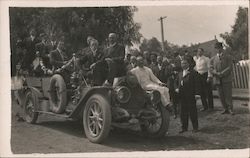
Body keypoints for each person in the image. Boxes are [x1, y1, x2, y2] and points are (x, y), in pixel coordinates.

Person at [175, 57, 200, 133]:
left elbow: (197, 84)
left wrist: (197, 94)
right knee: (183, 112)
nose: (183, 65)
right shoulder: (179, 73)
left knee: (192, 111)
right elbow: (176, 82)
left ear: (188, 64)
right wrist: (176, 88)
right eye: (182, 63)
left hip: (190, 95)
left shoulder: (193, 72)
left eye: (185, 63)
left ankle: (195, 127)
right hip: (182, 96)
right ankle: (184, 127)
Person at [210, 42, 234, 115]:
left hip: (226, 79)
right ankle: (225, 108)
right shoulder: (213, 58)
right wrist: (216, 73)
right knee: (221, 95)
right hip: (217, 79)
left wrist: (222, 73)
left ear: (222, 48)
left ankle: (230, 109)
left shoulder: (228, 56)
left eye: (219, 48)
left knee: (228, 95)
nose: (218, 50)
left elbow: (230, 67)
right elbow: (210, 68)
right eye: (216, 48)